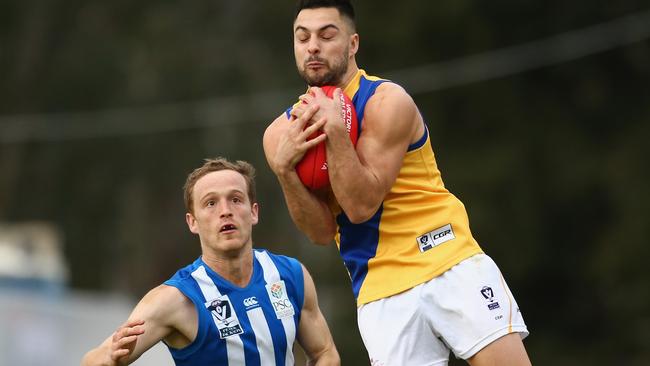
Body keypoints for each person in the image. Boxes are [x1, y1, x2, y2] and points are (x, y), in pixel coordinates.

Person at [263, 1, 531, 365]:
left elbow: (361, 205)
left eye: (327, 35)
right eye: (302, 37)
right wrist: (284, 172)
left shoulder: (387, 101)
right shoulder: (281, 134)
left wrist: (337, 132)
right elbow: (321, 233)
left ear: (353, 43)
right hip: (379, 288)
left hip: (446, 257)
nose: (313, 46)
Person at [81, 157, 340, 366]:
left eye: (236, 199)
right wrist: (109, 359)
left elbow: (325, 352)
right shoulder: (175, 299)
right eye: (211, 203)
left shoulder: (290, 275)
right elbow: (95, 358)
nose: (225, 210)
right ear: (192, 222)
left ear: (254, 212)